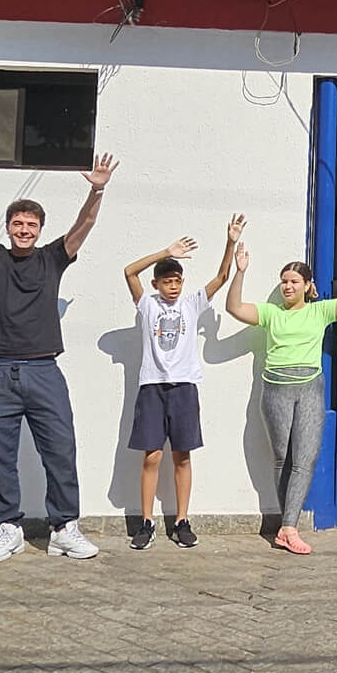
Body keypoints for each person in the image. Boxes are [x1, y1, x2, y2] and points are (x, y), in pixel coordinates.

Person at [0, 143, 117, 564]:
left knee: (61, 449)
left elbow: (84, 226)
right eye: (17, 223)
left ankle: (64, 529)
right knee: (0, 455)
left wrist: (96, 191)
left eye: (30, 224)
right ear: (8, 227)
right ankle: (8, 528)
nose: (23, 229)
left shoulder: (52, 259)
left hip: (44, 369)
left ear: (40, 229)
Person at [226, 235, 337, 554]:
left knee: (304, 459)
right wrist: (240, 271)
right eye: (283, 281)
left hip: (309, 389)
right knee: (282, 459)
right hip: (275, 389)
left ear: (307, 285)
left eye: (293, 281)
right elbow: (233, 307)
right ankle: (287, 528)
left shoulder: (320, 312)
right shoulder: (270, 314)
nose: (287, 286)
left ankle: (287, 527)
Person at [122, 215, 245, 550]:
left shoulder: (192, 304)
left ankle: (181, 520)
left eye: (177, 280)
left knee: (182, 455)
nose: (173, 286)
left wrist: (230, 241)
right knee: (151, 456)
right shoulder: (147, 305)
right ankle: (146, 522)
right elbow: (129, 271)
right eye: (167, 281)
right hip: (152, 387)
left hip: (184, 387)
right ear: (156, 284)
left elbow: (221, 277)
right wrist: (165, 251)